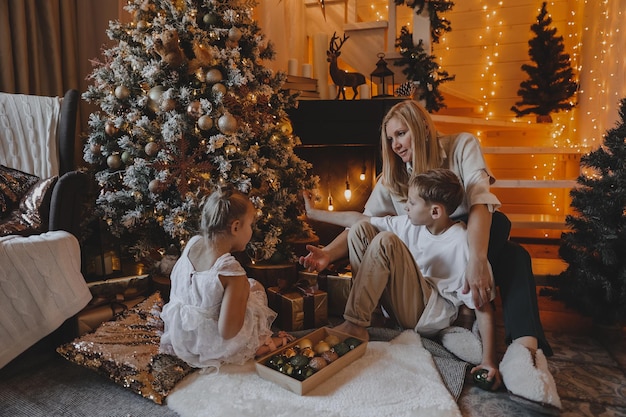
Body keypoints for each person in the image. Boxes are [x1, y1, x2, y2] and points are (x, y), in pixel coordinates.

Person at [299, 100, 561, 410]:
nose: (395, 145)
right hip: (413, 274)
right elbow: (362, 221)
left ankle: (523, 348)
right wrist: (327, 251)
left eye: (401, 134)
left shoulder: (461, 147)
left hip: (462, 251)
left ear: (422, 128)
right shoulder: (394, 179)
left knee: (511, 248)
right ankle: (364, 321)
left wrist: (477, 260)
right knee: (369, 234)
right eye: (389, 139)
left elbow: (480, 204)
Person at [304, 168, 502, 389]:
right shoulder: (411, 224)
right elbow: (358, 218)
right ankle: (369, 316)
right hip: (403, 304)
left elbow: (484, 307)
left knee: (386, 241)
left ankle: (355, 323)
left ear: (435, 211)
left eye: (412, 203)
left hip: (426, 315)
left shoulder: (460, 242)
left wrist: (489, 361)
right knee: (360, 229)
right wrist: (313, 213)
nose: (406, 207)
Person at [160, 185, 293, 371]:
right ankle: (258, 345)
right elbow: (228, 332)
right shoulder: (230, 271)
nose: (251, 231)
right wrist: (245, 291)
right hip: (210, 344)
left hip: (181, 334)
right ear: (236, 227)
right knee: (256, 288)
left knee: (243, 290)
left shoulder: (193, 243)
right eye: (250, 225)